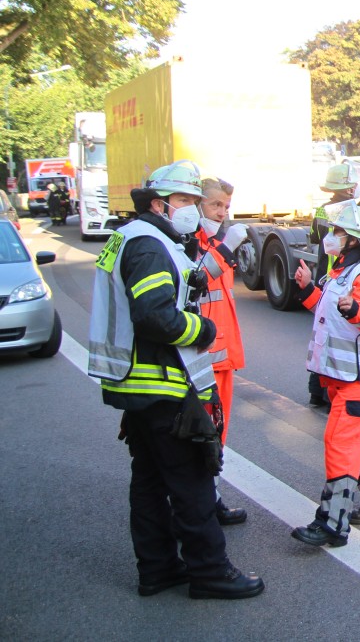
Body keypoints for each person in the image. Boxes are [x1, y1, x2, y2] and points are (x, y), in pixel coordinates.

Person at [88, 160, 264, 600]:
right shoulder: (148, 245)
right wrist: (202, 331)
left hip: (136, 384)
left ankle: (159, 569)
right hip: (162, 384)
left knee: (149, 482)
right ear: (159, 203)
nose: (192, 207)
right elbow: (154, 317)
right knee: (192, 483)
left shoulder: (134, 238)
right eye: (185, 200)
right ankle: (209, 571)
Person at [290, 201, 360, 547]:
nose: (332, 237)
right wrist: (309, 290)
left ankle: (332, 523)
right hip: (347, 376)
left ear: (355, 240)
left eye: (339, 232)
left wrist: (357, 310)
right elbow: (330, 315)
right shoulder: (344, 271)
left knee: (340, 443)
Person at [195, 176, 251, 526]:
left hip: (221, 356)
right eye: (216, 205)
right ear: (197, 203)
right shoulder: (189, 241)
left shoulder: (215, 240)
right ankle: (199, 504)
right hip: (200, 358)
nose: (222, 213)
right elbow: (194, 281)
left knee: (218, 433)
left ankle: (210, 496)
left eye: (226, 207)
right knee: (200, 435)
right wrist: (225, 248)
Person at [307, 162, 360, 408]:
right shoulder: (352, 211)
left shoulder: (320, 211)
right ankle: (333, 395)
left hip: (323, 281)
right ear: (350, 188)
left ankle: (315, 393)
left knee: (321, 336)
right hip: (343, 278)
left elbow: (313, 237)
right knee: (339, 339)